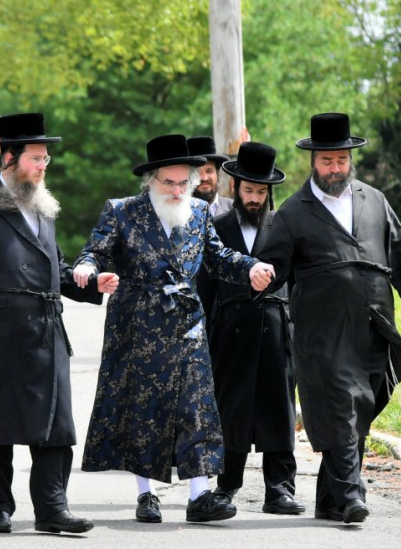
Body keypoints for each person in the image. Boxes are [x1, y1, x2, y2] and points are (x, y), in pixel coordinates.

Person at [72, 134, 275, 524]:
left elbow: (217, 257)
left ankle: (200, 496)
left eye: (185, 182)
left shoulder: (198, 213)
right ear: (151, 180)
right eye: (169, 182)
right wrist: (88, 268)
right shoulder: (122, 211)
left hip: (187, 324)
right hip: (138, 324)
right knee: (143, 410)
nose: (178, 190)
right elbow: (95, 250)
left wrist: (250, 267)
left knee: (196, 406)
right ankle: (146, 495)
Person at [257, 112, 401, 524]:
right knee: (342, 404)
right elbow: (271, 268)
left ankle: (328, 499)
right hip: (322, 330)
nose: (335, 168)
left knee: (359, 407)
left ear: (349, 159)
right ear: (313, 162)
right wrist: (258, 280)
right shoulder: (292, 213)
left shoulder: (373, 199)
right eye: (327, 161)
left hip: (374, 323)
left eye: (341, 160)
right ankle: (354, 495)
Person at [0, 113, 118, 535]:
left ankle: (53, 509)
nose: (43, 165)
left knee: (56, 426)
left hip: (44, 330)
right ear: (11, 158)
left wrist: (92, 283)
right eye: (36, 158)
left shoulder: (44, 207)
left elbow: (54, 271)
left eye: (46, 158)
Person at [203, 142, 304, 515]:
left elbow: (294, 280)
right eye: (249, 191)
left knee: (279, 407)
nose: (255, 199)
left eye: (261, 192)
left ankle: (280, 489)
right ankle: (226, 485)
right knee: (232, 409)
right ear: (235, 188)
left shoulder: (283, 226)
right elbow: (205, 287)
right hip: (230, 331)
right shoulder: (216, 227)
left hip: (277, 328)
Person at [186, 135, 233, 217]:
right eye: (197, 173)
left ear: (217, 174)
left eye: (209, 171)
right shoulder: (179, 213)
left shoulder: (233, 210)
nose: (204, 178)